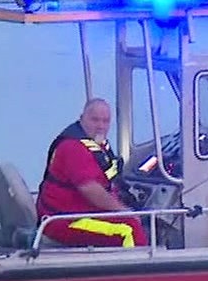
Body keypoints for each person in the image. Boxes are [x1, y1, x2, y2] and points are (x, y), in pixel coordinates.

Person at [35, 97, 150, 248]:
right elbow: (90, 188)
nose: (101, 126)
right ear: (82, 119)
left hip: (79, 214)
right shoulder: (73, 147)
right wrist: (124, 211)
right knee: (129, 229)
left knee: (141, 218)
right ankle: (140, 271)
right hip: (65, 220)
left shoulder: (96, 145)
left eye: (105, 121)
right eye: (95, 120)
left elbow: (107, 181)